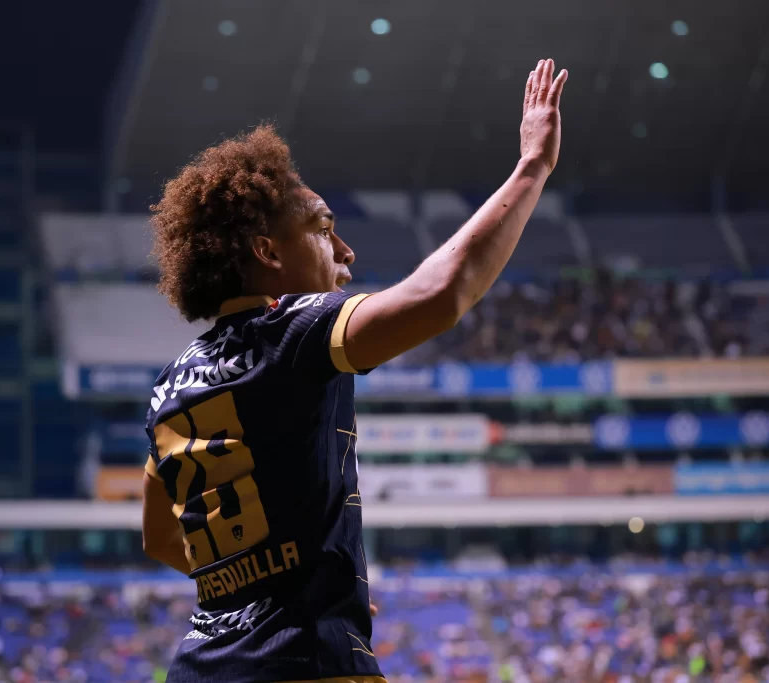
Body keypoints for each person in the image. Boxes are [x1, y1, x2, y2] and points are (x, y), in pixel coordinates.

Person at [142, 59, 568, 683]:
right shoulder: (297, 328)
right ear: (267, 252)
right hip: (306, 661)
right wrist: (533, 166)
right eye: (323, 229)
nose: (345, 252)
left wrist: (260, 584)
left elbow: (159, 537)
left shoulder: (170, 382)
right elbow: (443, 292)